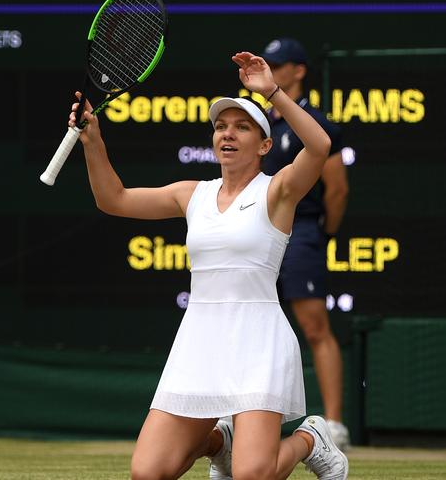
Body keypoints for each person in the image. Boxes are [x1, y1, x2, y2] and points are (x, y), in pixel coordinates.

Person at [70, 51, 348, 479]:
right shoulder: (191, 193)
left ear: (265, 144)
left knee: (252, 475)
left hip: (258, 341)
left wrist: (272, 92)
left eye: (242, 127)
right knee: (147, 473)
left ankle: (311, 438)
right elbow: (115, 199)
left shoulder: (279, 191)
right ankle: (222, 440)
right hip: (199, 340)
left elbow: (321, 145)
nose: (228, 134)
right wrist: (93, 142)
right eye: (220, 127)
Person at [259, 38, 351, 451]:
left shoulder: (315, 123)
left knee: (315, 328)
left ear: (298, 71)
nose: (273, 73)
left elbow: (337, 189)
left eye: (280, 66)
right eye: (270, 66)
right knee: (256, 329)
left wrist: (321, 233)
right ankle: (246, 417)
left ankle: (334, 424)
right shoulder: (259, 125)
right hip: (260, 237)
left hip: (303, 233)